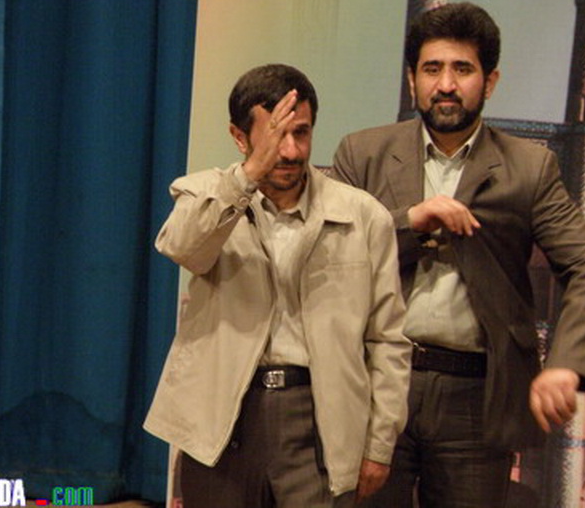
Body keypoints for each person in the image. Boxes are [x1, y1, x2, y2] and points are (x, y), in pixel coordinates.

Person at [331, 2, 585, 507]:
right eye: (432, 69)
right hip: (376, 384)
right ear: (412, 79)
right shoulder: (363, 154)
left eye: (462, 69)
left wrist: (567, 364)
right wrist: (412, 221)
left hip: (476, 401)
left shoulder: (528, 168)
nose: (445, 84)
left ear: (490, 81)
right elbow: (332, 255)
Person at [144, 64, 411, 507]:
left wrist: (379, 444)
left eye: (301, 133)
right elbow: (182, 247)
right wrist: (247, 177)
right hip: (224, 420)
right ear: (239, 137)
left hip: (318, 421)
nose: (289, 151)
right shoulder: (207, 194)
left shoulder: (364, 216)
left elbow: (387, 341)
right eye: (274, 135)